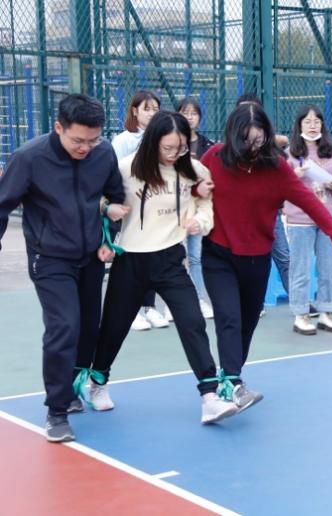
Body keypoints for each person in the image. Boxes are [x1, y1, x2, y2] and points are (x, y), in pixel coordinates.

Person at [87, 111, 239, 424]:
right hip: (131, 260)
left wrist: (200, 221)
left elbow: (205, 202)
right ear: (152, 142)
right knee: (113, 328)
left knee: (192, 321)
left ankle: (209, 397)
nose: (173, 154)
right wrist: (107, 215)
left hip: (170, 259)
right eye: (167, 148)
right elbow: (97, 198)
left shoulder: (192, 169)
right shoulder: (126, 168)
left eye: (180, 148)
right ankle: (97, 381)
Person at [199, 103, 332, 402]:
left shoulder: (277, 168)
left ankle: (230, 375)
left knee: (247, 322)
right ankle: (232, 383)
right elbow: (187, 183)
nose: (252, 147)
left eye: (258, 140)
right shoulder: (213, 157)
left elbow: (309, 201)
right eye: (245, 140)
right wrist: (195, 190)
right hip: (218, 254)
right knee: (229, 318)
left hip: (257, 258)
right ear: (233, 136)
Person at [0, 94, 128, 442]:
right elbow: (2, 205)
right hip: (49, 257)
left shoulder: (103, 154)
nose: (86, 147)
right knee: (64, 327)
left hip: (90, 256)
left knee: (88, 328)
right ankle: (56, 411)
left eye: (93, 140)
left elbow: (115, 197)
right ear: (59, 127)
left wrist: (109, 235)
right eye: (78, 140)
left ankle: (72, 388)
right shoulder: (29, 158)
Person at [285, 104, 332, 335]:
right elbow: (281, 185)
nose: (312, 126)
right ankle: (301, 313)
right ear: (299, 125)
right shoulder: (290, 154)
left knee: (328, 267)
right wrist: (295, 175)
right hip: (300, 219)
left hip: (327, 218)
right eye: (307, 121)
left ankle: (326, 311)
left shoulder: (330, 152)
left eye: (316, 121)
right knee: (300, 268)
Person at [112, 90, 168, 330]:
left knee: (152, 257)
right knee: (130, 261)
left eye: (156, 109)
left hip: (153, 209)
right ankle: (131, 311)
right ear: (134, 111)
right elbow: (116, 174)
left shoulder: (161, 138)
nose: (152, 113)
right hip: (129, 210)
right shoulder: (123, 140)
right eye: (147, 108)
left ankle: (149, 307)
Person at [236, 93, 291, 296]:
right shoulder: (230, 147)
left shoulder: (268, 144)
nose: (248, 114)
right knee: (246, 262)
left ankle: (300, 304)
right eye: (243, 110)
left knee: (284, 258)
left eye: (253, 109)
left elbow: (284, 142)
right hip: (240, 218)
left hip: (270, 216)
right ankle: (250, 304)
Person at [176, 97, 215, 320]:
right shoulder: (169, 142)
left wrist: (198, 191)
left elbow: (207, 182)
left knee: (195, 258)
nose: (189, 117)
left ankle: (199, 299)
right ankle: (175, 305)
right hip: (174, 214)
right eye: (185, 112)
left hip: (196, 212)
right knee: (176, 260)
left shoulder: (207, 145)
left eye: (193, 113)